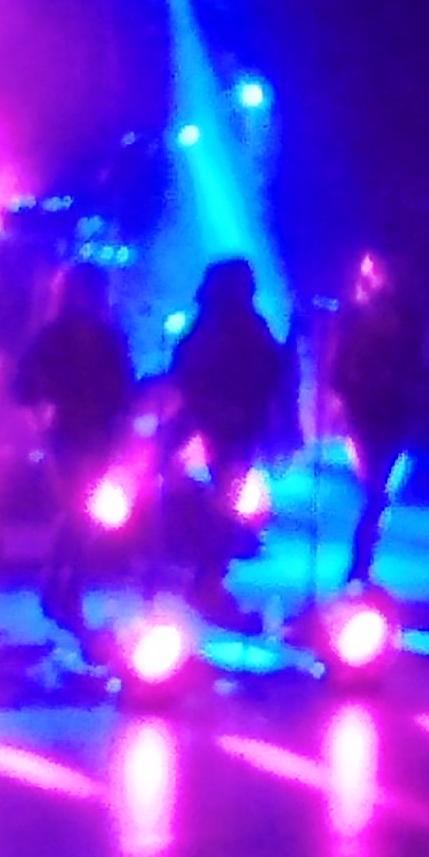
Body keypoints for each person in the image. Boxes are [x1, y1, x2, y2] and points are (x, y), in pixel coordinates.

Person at [13, 259, 135, 643]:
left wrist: (120, 422)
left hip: (96, 432)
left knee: (80, 513)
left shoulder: (105, 337)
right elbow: (24, 386)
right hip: (68, 431)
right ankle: (66, 590)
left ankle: (57, 586)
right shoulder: (56, 336)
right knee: (77, 511)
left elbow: (123, 386)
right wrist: (42, 415)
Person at [163, 257, 287, 624]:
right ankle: (206, 582)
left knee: (227, 506)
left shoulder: (229, 326)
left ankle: (208, 580)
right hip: (224, 425)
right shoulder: (226, 327)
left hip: (232, 424)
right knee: (225, 506)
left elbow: (268, 370)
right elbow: (190, 372)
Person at [327, 251, 427, 590]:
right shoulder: (359, 321)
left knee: (378, 490)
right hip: (371, 412)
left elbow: (414, 369)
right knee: (376, 489)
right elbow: (339, 371)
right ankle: (360, 564)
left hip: (388, 412)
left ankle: (361, 563)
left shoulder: (402, 322)